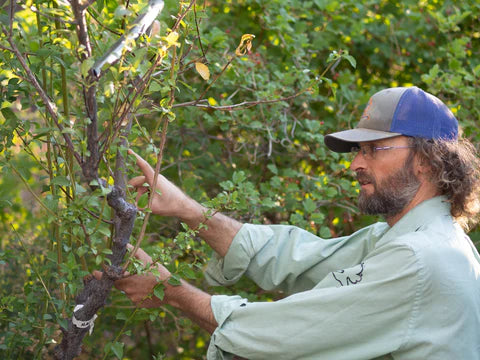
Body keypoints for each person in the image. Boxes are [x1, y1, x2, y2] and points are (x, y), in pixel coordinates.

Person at [95, 86, 480, 359]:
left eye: (375, 149)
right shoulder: (407, 237)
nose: (356, 164)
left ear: (429, 160)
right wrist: (189, 210)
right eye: (358, 150)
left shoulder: (418, 257)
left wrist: (170, 290)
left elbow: (282, 335)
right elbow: (299, 258)